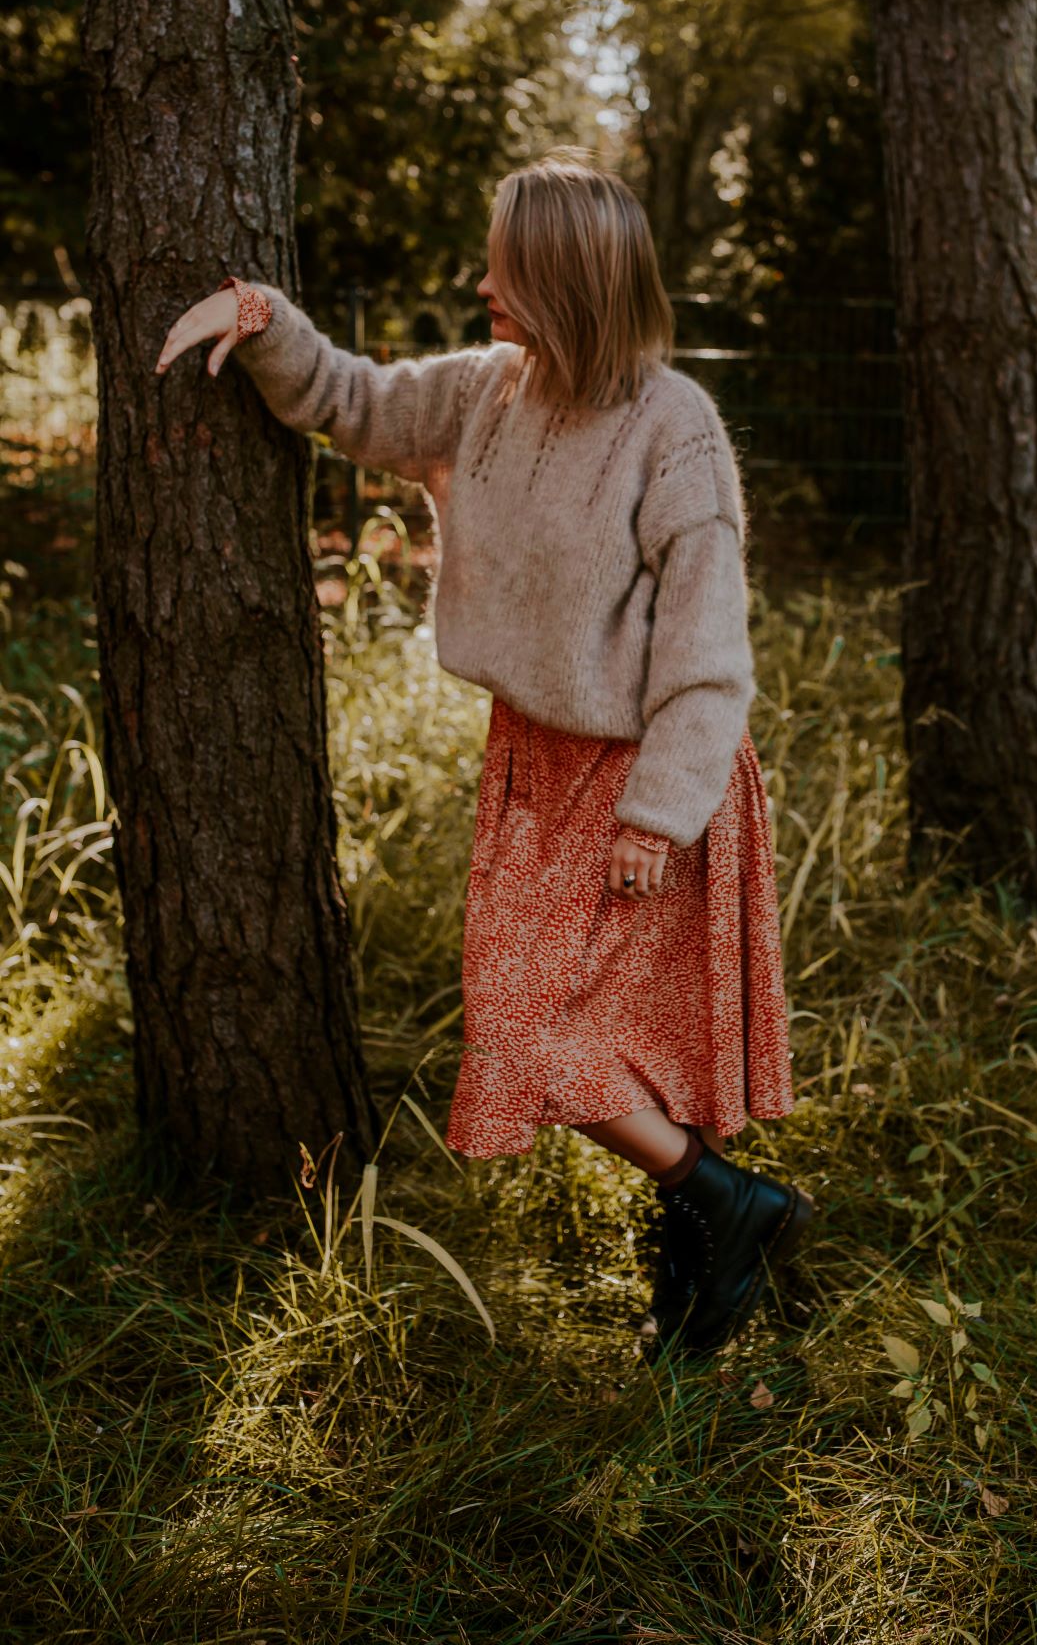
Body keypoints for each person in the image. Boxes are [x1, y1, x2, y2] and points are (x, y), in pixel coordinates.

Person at [155, 148, 812, 1356]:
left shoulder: (676, 429)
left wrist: (658, 811)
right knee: (550, 1017)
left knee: (555, 1024)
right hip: (530, 761)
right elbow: (348, 399)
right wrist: (263, 320)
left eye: (505, 268)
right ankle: (716, 1228)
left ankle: (722, 1214)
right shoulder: (485, 389)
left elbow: (710, 653)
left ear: (567, 281)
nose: (483, 285)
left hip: (644, 774)